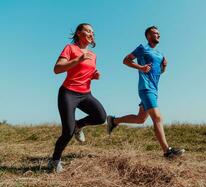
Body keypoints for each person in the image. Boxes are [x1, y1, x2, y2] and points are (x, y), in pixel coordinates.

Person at [107, 26, 184, 158]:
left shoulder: (160, 54)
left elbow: (159, 72)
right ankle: (167, 151)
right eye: (155, 33)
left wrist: (164, 66)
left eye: (159, 33)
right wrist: (140, 67)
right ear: (148, 36)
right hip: (145, 88)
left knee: (140, 119)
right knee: (157, 118)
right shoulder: (143, 48)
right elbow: (126, 60)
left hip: (154, 89)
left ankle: (114, 121)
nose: (158, 35)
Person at [48, 23, 107, 172]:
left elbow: (83, 73)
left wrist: (93, 76)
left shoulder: (93, 55)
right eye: (88, 31)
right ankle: (55, 161)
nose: (91, 34)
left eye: (93, 32)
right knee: (67, 131)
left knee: (101, 116)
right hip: (68, 93)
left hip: (85, 93)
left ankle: (78, 126)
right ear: (79, 33)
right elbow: (57, 69)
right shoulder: (70, 48)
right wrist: (78, 60)